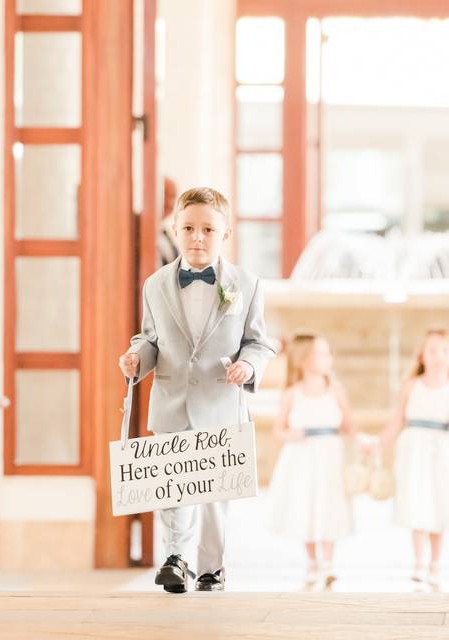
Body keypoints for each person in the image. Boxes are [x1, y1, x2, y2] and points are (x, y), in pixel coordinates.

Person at [118, 186, 275, 593]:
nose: (197, 237)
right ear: (175, 229)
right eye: (188, 228)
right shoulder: (155, 285)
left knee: (213, 497)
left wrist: (248, 365)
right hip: (172, 401)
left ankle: (211, 567)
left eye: (208, 228)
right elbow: (150, 338)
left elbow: (260, 342)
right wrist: (137, 358)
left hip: (221, 401)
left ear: (226, 233)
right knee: (172, 487)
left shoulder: (247, 284)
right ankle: (175, 558)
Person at [376, 327, 449, 585]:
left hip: (443, 451)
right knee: (417, 502)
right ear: (422, 357)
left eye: (445, 351)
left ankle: (435, 564)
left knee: (439, 504)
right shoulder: (411, 386)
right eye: (432, 350)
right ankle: (418, 562)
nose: (439, 356)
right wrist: (379, 444)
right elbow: (397, 421)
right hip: (413, 449)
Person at [268, 334, 355, 586]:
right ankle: (312, 562)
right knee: (305, 505)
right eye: (322, 353)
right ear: (304, 360)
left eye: (328, 353)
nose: (329, 358)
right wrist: (289, 434)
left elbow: (349, 425)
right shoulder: (292, 393)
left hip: (330, 457)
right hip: (302, 457)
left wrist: (364, 442)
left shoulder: (336, 390)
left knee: (329, 506)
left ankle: (328, 562)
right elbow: (278, 428)